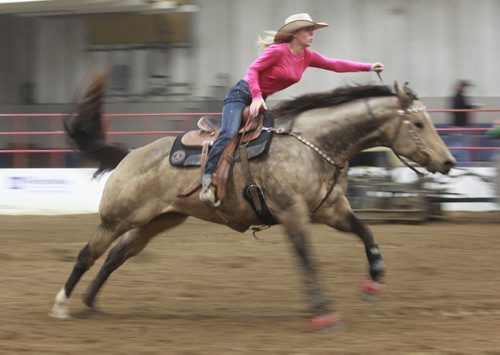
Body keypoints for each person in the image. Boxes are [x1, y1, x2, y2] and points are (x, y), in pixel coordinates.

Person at [199, 13, 384, 206]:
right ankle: (207, 180)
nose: (312, 35)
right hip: (242, 94)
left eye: (313, 31)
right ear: (296, 34)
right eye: (308, 30)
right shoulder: (278, 51)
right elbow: (253, 70)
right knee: (228, 132)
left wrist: (369, 67)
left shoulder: (307, 56)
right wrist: (255, 97)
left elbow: (335, 64)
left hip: (261, 98)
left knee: (270, 136)